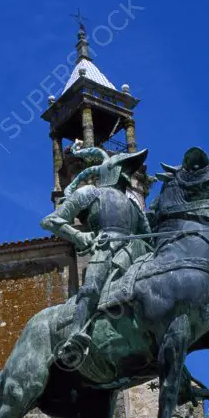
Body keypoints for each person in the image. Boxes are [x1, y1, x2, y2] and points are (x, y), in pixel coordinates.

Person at [41, 146, 151, 366]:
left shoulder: (133, 205)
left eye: (130, 170)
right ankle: (75, 336)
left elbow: (148, 236)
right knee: (91, 289)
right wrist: (78, 237)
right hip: (106, 248)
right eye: (124, 168)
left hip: (136, 251)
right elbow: (51, 221)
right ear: (113, 170)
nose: (128, 174)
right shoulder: (90, 193)